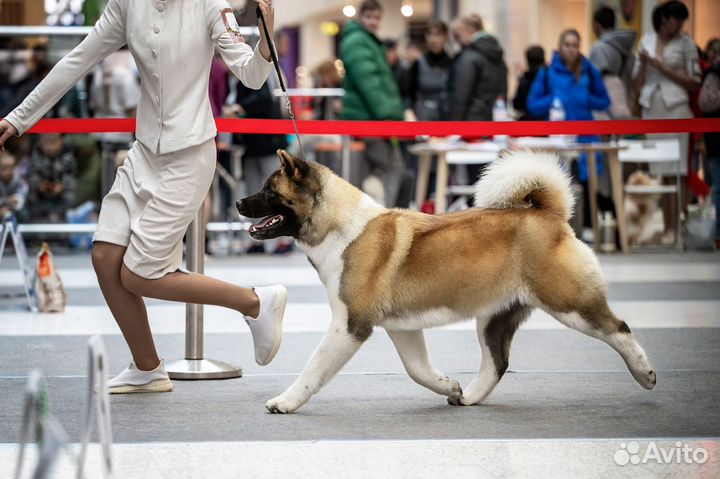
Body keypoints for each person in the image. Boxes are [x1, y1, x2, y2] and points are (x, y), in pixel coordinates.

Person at [0, 0, 286, 394]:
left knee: (139, 273)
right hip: (144, 152)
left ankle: (254, 302)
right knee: (104, 257)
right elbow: (78, 59)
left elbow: (252, 76)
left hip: (190, 155)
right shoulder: (126, 4)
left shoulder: (210, 5)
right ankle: (148, 367)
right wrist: (18, 117)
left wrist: (266, 36)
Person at [527, 29, 610, 230]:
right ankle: (557, 229)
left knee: (589, 186)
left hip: (586, 136)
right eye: (567, 45)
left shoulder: (589, 69)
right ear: (560, 46)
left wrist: (584, 98)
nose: (571, 49)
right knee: (558, 186)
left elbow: (604, 100)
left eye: (575, 45)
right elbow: (532, 104)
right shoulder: (547, 71)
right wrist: (553, 98)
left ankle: (588, 228)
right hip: (559, 139)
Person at [632, 1, 701, 238]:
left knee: (678, 168)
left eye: (683, 20)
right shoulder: (647, 40)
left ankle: (677, 225)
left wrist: (662, 68)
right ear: (664, 18)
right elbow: (636, 84)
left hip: (677, 108)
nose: (680, 24)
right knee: (658, 168)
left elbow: (694, 82)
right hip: (652, 107)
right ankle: (666, 225)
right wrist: (643, 64)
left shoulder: (687, 43)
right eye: (676, 19)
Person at [340, 0, 405, 207]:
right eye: (369, 17)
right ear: (360, 16)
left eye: (377, 18)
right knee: (393, 168)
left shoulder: (366, 40)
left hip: (369, 118)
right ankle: (388, 217)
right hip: (368, 119)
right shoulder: (358, 41)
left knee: (366, 174)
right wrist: (387, 113)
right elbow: (370, 83)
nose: (374, 22)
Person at [449, 13, 508, 185]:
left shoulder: (469, 57)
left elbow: (461, 96)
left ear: (468, 30)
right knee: (490, 180)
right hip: (494, 126)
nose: (457, 41)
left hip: (471, 128)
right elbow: (503, 92)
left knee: (472, 183)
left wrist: (453, 128)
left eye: (457, 35)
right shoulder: (498, 56)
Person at [589, 6, 636, 119]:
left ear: (597, 25)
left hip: (603, 104)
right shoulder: (627, 49)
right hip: (623, 99)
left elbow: (594, 79)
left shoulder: (598, 48)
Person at [406, 20, 452, 122]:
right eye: (430, 34)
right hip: (423, 118)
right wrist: (409, 112)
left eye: (437, 35)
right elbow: (409, 93)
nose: (433, 39)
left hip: (447, 118)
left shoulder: (453, 63)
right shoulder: (418, 63)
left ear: (445, 37)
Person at [26, 134, 77, 223]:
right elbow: (31, 175)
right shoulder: (35, 156)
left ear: (61, 141)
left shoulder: (68, 157)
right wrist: (40, 185)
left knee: (70, 197)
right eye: (45, 143)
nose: (49, 147)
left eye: (53, 142)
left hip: (62, 194)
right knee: (30, 198)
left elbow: (71, 176)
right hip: (39, 195)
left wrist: (62, 186)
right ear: (39, 143)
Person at [699, 41, 720, 248]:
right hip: (716, 143)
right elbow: (704, 102)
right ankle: (718, 237)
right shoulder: (714, 73)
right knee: (718, 189)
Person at [512, 45, 545, 121]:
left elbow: (517, 105)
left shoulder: (525, 80)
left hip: (528, 123)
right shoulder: (549, 77)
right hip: (547, 122)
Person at [0, 151, 28, 221]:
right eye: (5, 168)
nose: (9, 171)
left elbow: (22, 196)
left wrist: (15, 201)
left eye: (11, 167)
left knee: (24, 214)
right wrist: (5, 201)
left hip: (14, 209)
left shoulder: (19, 180)